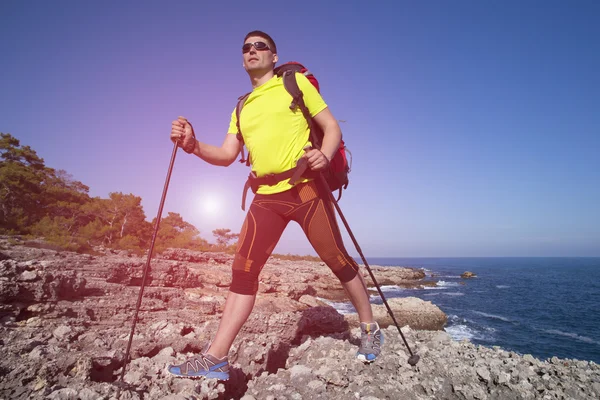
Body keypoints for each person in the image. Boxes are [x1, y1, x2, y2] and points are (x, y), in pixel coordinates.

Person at [167, 31, 382, 380]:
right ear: (242, 59)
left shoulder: (293, 83)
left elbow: (331, 128)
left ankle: (370, 329)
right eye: (246, 48)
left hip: (306, 188)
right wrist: (192, 145)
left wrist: (323, 158)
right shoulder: (241, 106)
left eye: (259, 46)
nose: (252, 51)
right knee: (243, 272)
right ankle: (214, 358)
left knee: (337, 259)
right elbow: (225, 155)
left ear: (274, 55)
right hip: (266, 197)